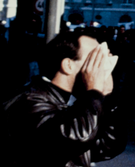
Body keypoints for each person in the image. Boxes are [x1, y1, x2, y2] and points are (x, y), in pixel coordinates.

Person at [1, 32, 127, 167]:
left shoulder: (74, 101)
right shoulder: (28, 103)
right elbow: (75, 138)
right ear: (68, 65)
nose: (101, 66)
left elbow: (106, 148)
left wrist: (107, 97)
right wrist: (94, 92)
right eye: (94, 59)